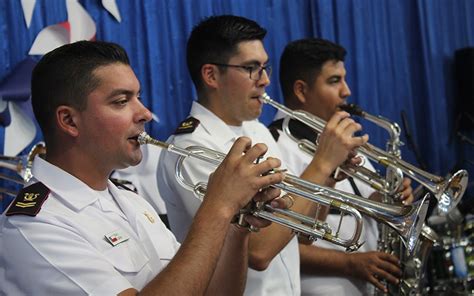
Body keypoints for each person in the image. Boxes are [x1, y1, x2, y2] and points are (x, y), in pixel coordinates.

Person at [0, 40, 286, 295]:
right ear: (69, 121)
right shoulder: (33, 225)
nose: (145, 113)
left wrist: (237, 224)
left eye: (139, 97)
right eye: (122, 101)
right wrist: (218, 206)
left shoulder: (133, 203)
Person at [157, 15, 368, 295]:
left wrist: (329, 177)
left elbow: (305, 232)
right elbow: (259, 252)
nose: (266, 80)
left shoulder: (256, 130)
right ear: (211, 75)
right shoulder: (190, 148)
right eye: (251, 68)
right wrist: (322, 163)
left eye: (264, 67)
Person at [271, 37, 414, 295]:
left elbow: (363, 197)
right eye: (334, 81)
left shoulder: (341, 135)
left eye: (344, 79)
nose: (346, 91)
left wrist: (388, 198)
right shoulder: (273, 145)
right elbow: (275, 243)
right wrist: (349, 264)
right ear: (301, 91)